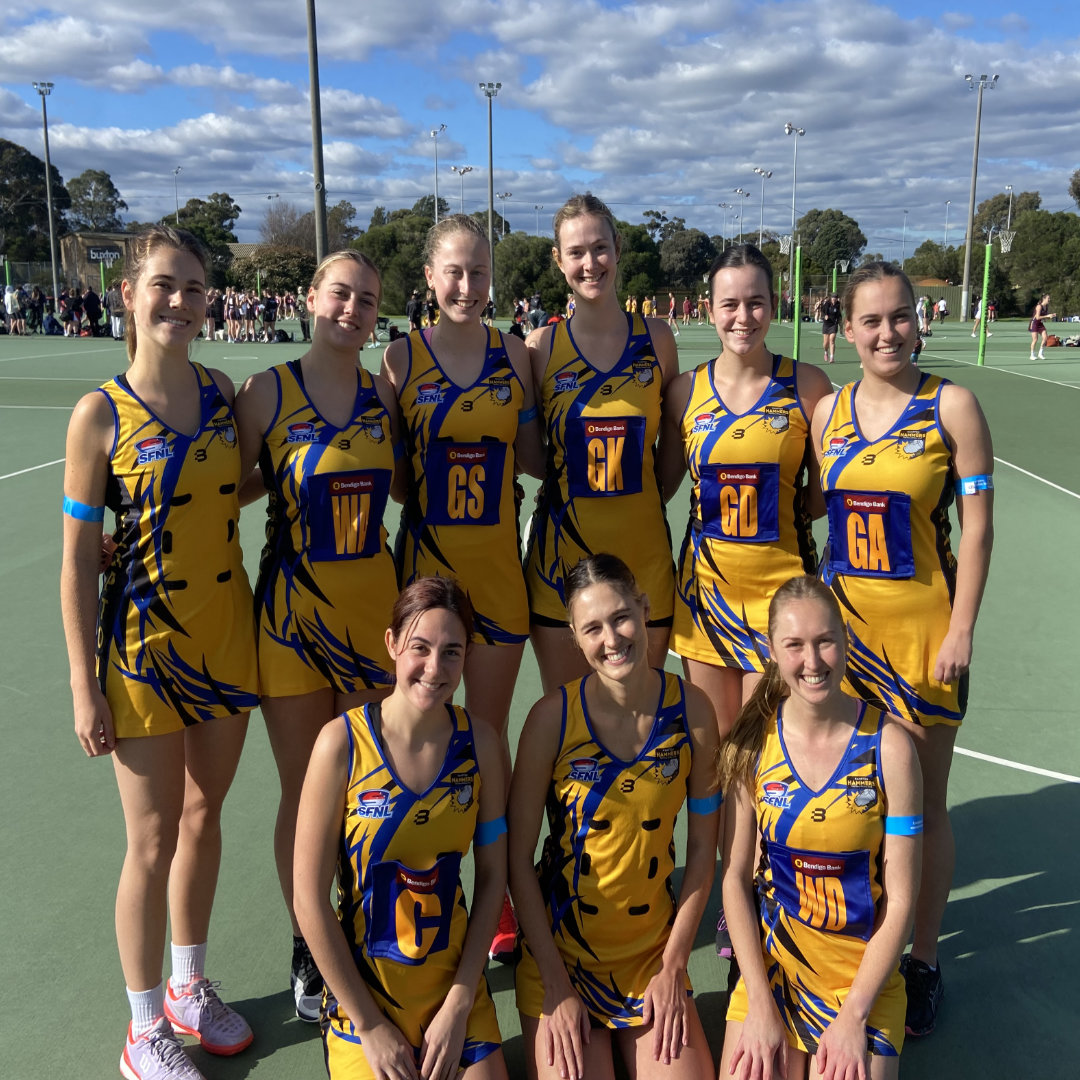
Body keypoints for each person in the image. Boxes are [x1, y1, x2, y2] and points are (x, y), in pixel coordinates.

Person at [60, 225, 259, 1080]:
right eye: (164, 286)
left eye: (193, 288)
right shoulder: (99, 415)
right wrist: (83, 685)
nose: (179, 301)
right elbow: (77, 559)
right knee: (149, 840)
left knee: (204, 817)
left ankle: (187, 985)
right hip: (141, 650)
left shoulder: (221, 391)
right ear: (130, 294)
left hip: (226, 636)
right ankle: (143, 1030)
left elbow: (237, 486)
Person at [812, 261, 994, 1037]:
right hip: (843, 644)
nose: (888, 332)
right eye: (872, 320)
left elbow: (978, 529)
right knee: (854, 795)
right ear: (847, 329)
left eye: (900, 317)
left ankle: (921, 958)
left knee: (921, 803)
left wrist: (962, 628)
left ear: (918, 321)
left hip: (923, 637)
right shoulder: (827, 413)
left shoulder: (951, 406)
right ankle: (855, 941)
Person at [234, 249, 404, 1022]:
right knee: (305, 792)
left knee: (366, 787)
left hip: (373, 617)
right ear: (310, 298)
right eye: (340, 293)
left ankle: (361, 928)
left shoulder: (383, 394)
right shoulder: (266, 392)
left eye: (366, 299)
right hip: (291, 621)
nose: (352, 309)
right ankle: (310, 940)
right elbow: (217, 490)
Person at [657, 243, 831, 957]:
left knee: (761, 757)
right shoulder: (684, 392)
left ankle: (753, 889)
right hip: (705, 600)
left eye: (756, 301)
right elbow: (661, 484)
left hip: (779, 604)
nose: (743, 316)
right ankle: (715, 885)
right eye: (729, 303)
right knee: (716, 754)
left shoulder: (807, 385)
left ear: (773, 304)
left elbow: (821, 493)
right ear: (709, 308)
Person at [382, 213, 544, 961]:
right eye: (454, 271)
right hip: (427, 586)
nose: (468, 285)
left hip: (500, 582)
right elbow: (383, 472)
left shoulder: (516, 356)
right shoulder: (400, 359)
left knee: (485, 736)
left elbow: (540, 456)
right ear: (430, 277)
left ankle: (498, 885)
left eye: (480, 272)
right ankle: (418, 872)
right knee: (419, 732)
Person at [509, 554, 720, 1080]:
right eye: (592, 628)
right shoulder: (550, 720)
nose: (611, 639)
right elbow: (516, 861)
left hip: (651, 959)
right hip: (561, 960)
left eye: (621, 617)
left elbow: (702, 851)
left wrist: (673, 965)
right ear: (575, 639)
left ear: (644, 609)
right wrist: (555, 985)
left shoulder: (692, 711)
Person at [294, 576, 509, 1080]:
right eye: (420, 648)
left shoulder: (481, 745)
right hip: (366, 1005)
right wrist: (370, 1025)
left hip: (453, 996)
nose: (435, 668)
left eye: (452, 652)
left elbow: (493, 877)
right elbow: (308, 899)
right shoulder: (340, 744)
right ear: (392, 644)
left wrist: (459, 1004)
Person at [718, 575, 922, 1080]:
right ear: (772, 651)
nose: (812, 661)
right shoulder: (751, 744)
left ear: (845, 639)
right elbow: (735, 879)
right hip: (775, 975)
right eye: (794, 645)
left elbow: (900, 901)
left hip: (862, 986)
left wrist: (853, 1017)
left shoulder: (890, 748)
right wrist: (759, 1002)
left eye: (825, 641)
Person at [524, 193, 679, 693]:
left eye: (600, 248)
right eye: (576, 252)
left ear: (618, 248)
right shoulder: (540, 347)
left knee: (644, 712)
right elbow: (532, 454)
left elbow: (671, 455)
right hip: (561, 566)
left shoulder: (657, 339)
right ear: (559, 259)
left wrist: (638, 501)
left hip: (645, 561)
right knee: (568, 716)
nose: (590, 263)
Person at [1029, 293, 1054, 360]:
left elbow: (1044, 317)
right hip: (1034, 323)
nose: (1049, 299)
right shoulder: (1039, 306)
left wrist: (1050, 316)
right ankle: (1032, 355)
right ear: (1044, 299)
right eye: (1048, 298)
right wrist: (1047, 316)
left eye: (1049, 298)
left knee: (1045, 337)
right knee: (1035, 339)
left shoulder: (1046, 307)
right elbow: (1037, 317)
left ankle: (1040, 353)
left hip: (1040, 324)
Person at [821, 290, 842, 363]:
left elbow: (839, 316)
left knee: (832, 340)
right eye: (833, 297)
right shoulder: (827, 303)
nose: (834, 299)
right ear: (831, 298)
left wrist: (840, 325)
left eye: (835, 298)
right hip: (826, 324)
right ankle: (826, 352)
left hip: (834, 324)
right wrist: (825, 315)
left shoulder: (838, 305)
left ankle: (832, 357)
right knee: (825, 343)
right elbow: (823, 311)